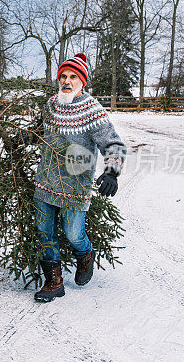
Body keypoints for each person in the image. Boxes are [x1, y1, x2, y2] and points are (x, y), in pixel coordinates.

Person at [17, 53, 127, 302]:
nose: (67, 81)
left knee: (73, 233)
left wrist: (112, 171)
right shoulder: (51, 105)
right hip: (45, 180)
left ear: (82, 82)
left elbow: (113, 142)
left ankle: (86, 254)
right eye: (63, 76)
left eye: (73, 77)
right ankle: (54, 282)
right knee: (45, 232)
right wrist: (24, 138)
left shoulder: (92, 111)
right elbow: (39, 131)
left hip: (75, 185)